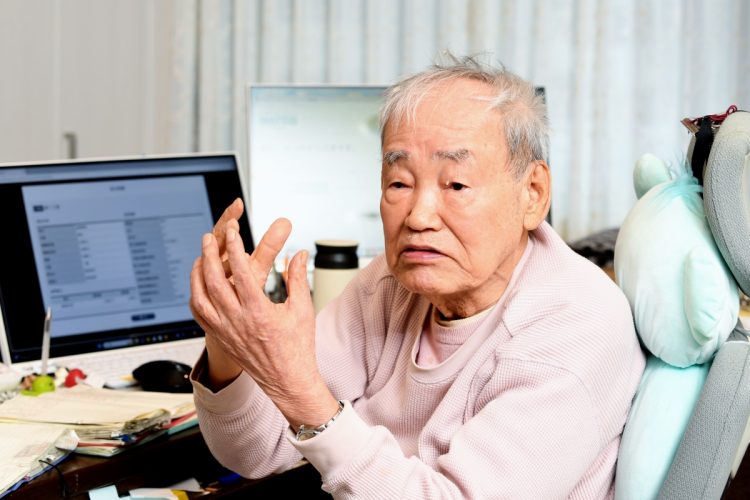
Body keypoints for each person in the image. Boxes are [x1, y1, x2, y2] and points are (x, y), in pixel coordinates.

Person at [189, 55, 645, 499]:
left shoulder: (577, 326)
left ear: (533, 193)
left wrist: (296, 386)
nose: (419, 216)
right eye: (400, 183)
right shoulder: (389, 287)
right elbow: (256, 451)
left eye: (456, 185)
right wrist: (228, 337)